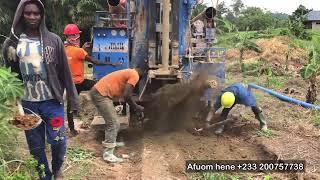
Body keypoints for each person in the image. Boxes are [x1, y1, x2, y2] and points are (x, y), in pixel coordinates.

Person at [2, 0, 79, 179]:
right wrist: (12, 103)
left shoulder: (54, 40)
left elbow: (66, 72)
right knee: (36, 147)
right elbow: (9, 72)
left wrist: (73, 99)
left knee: (58, 139)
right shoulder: (13, 43)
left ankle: (57, 167)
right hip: (28, 104)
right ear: (21, 14)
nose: (32, 16)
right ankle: (45, 176)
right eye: (28, 13)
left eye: (36, 13)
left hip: (53, 102)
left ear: (42, 15)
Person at [63, 23, 119, 136]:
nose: (76, 38)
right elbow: (94, 61)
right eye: (74, 36)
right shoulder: (79, 52)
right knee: (101, 87)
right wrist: (111, 63)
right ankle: (111, 109)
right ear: (69, 38)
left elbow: (73, 58)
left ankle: (72, 130)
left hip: (70, 84)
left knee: (70, 106)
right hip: (80, 82)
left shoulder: (64, 50)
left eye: (76, 36)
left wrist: (82, 48)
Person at [89, 68, 144, 163]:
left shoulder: (129, 72)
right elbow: (127, 96)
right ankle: (108, 154)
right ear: (140, 77)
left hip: (100, 93)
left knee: (114, 122)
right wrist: (136, 107)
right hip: (101, 95)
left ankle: (111, 142)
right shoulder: (135, 75)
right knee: (113, 123)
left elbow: (119, 90)